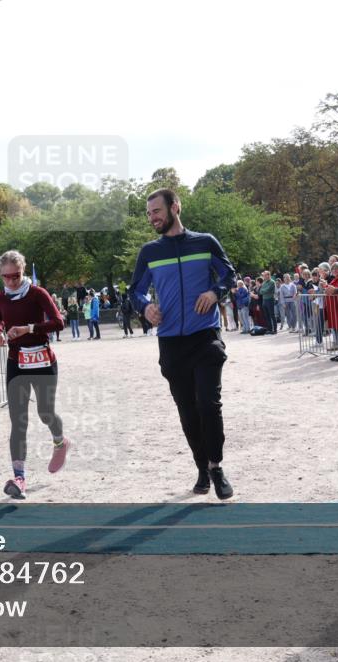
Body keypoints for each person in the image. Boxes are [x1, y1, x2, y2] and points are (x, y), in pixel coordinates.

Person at [130, 188, 236, 499]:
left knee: (209, 404)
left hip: (205, 337)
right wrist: (145, 307)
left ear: (175, 207)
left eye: (156, 211)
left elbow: (228, 274)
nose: (152, 218)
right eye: (149, 213)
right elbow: (136, 290)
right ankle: (201, 467)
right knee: (188, 410)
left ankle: (216, 466)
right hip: (171, 341)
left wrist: (214, 292)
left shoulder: (205, 242)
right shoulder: (149, 252)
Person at [0, 250, 72, 499]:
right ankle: (19, 477)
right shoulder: (0, 297)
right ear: (0, 275)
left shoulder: (38, 293)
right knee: (18, 421)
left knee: (45, 412)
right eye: (6, 277)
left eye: (15, 276)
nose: (11, 281)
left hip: (42, 360)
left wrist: (28, 328)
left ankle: (60, 441)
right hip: (16, 362)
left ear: (23, 271)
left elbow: (58, 322)